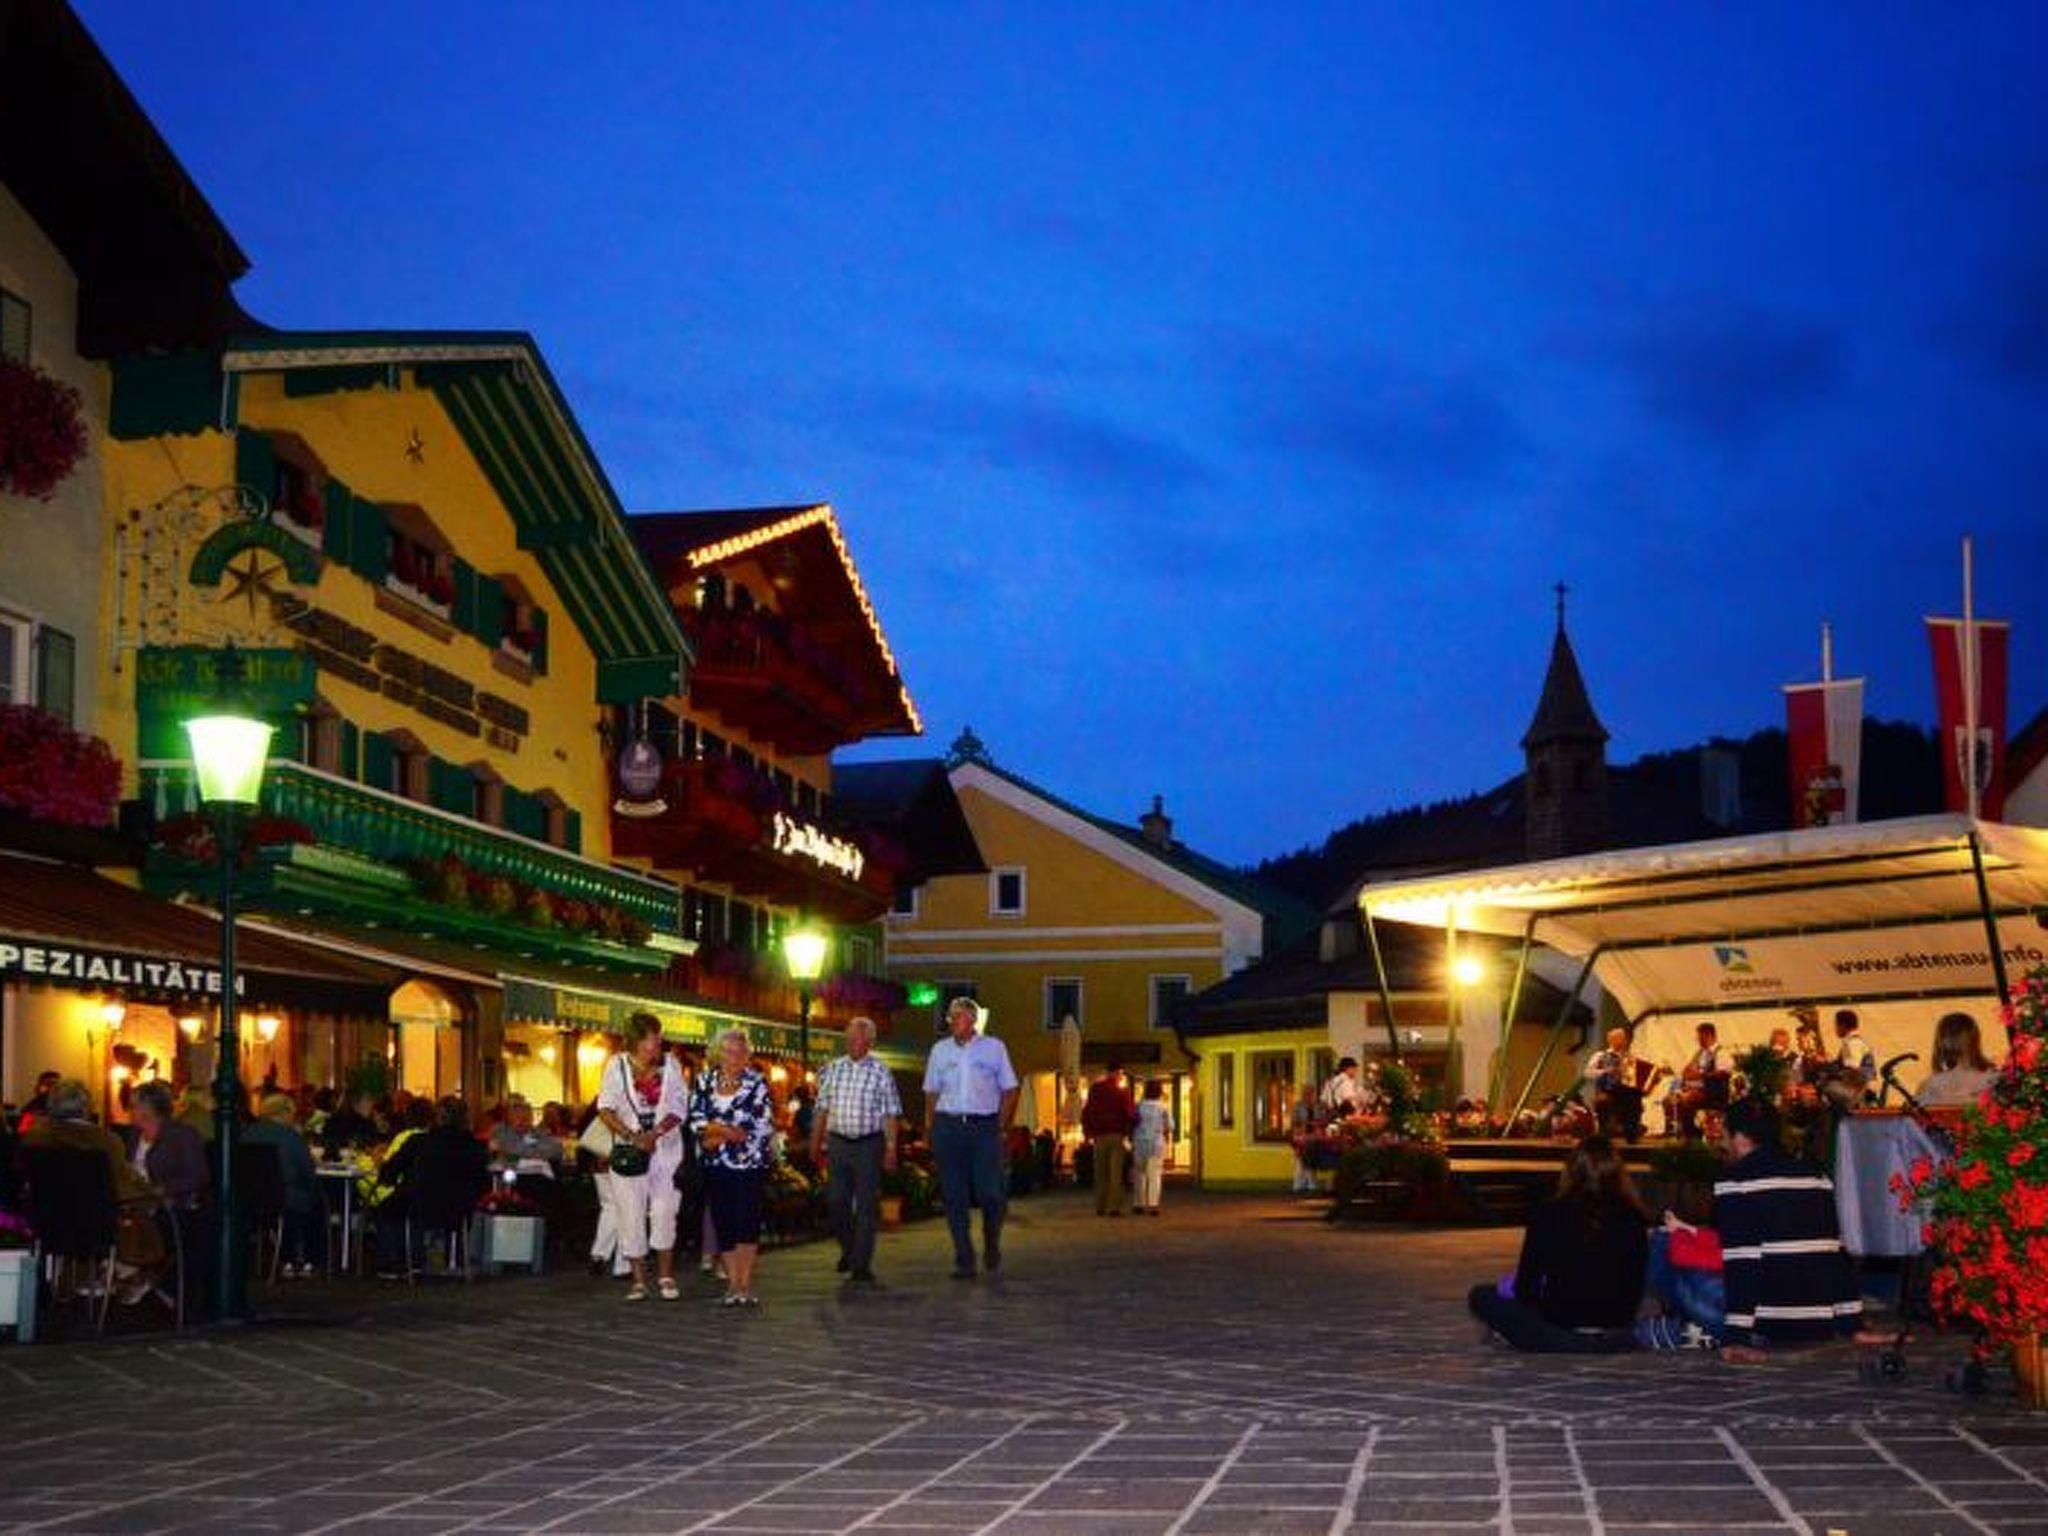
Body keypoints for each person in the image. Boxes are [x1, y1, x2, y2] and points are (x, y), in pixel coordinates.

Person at [1650, 1098, 1862, 1362]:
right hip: (1817, 1323)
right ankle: (1688, 1328)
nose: (1722, 1143)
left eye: (1724, 1135)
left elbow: (1743, 1262)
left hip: (1765, 1325)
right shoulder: (1818, 1178)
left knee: (1661, 1241)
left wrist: (1737, 1337)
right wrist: (1852, 1325)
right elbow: (1836, 1253)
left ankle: (1683, 1326)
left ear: (1740, 1138)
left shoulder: (1736, 1181)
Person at [1467, 1135, 1647, 1352]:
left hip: (1560, 1323)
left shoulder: (1548, 1213)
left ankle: (1548, 1337)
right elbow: (1636, 1282)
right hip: (1615, 1323)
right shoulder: (1633, 1216)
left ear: (1570, 1171)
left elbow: (1527, 1287)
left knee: (1482, 1295)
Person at [21, 1079, 166, 1303]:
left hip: (46, 1223)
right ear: (86, 1107)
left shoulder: (34, 1138)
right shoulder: (104, 1141)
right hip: (95, 1226)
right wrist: (151, 1197)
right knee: (142, 1216)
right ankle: (129, 1274)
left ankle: (86, 1277)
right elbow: (122, 1185)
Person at [923, 996, 1019, 1280]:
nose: (952, 1021)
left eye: (958, 1016)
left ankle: (991, 1240)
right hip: (949, 1126)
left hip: (983, 1128)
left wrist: (1000, 1125)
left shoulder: (994, 1048)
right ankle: (964, 1257)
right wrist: (932, 1128)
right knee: (954, 1196)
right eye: (950, 1016)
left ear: (973, 1020)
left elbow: (1010, 1089)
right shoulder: (940, 1050)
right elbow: (931, 1092)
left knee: (991, 1194)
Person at [596, 1014, 688, 1301]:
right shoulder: (616, 1065)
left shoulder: (670, 1065)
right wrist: (633, 1136)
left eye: (659, 1039)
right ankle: (638, 1280)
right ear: (637, 1041)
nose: (658, 1045)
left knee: (664, 1211)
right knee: (630, 1214)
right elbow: (605, 1108)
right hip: (630, 1152)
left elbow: (680, 1106)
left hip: (665, 1151)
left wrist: (656, 1133)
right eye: (652, 1040)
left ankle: (665, 1275)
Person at [810, 1015, 902, 1284]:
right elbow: (821, 1108)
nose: (851, 1042)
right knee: (836, 1200)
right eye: (849, 1037)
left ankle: (861, 1264)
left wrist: (891, 1148)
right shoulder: (833, 1069)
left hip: (868, 1143)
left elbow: (891, 1113)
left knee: (865, 1205)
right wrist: (815, 1142)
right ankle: (849, 1248)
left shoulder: (881, 1072)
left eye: (857, 1038)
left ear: (869, 1042)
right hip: (838, 1141)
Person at [687, 1027, 775, 1307]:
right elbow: (696, 1119)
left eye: (740, 1052)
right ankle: (732, 1285)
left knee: (747, 1222)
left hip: (749, 1163)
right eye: (728, 1051)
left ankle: (744, 1284)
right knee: (723, 1221)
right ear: (718, 1053)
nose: (734, 1058)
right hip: (715, 1163)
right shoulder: (704, 1081)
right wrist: (725, 1131)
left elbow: (761, 1125)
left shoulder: (757, 1083)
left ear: (747, 1055)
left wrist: (717, 1134)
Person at [373, 1097, 486, 1277]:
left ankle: (394, 1263)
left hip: (418, 1204)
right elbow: (482, 1182)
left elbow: (389, 1173)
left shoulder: (417, 1142)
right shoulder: (475, 1147)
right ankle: (427, 1259)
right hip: (460, 1208)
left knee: (386, 1210)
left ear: (436, 1118)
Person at [244, 1091, 323, 1276]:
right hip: (286, 1198)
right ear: (286, 1113)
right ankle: (308, 1260)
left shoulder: (247, 1133)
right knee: (316, 1203)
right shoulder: (290, 1137)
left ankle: (285, 1260)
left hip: (250, 1199)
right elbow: (307, 1171)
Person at [131, 1080, 210, 1212]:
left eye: (134, 1106)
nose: (130, 1111)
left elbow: (198, 1177)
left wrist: (164, 1188)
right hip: (136, 1204)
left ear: (149, 1108)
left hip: (172, 1208)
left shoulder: (182, 1135)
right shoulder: (134, 1135)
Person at [1080, 1061, 1138, 1217]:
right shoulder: (1122, 1091)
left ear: (1106, 1072)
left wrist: (1087, 1133)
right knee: (1115, 1173)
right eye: (1121, 1074)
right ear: (1117, 1073)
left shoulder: (1095, 1089)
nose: (1121, 1077)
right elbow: (1130, 1113)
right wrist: (1130, 1131)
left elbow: (1087, 1112)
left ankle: (1100, 1206)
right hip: (1117, 1135)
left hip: (1099, 1136)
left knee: (1100, 1172)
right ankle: (1114, 1208)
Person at [1917, 1011, 1998, 1108]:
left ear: (1941, 1042)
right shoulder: (1994, 1081)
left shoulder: (1928, 1086)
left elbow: (1912, 1113)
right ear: (1975, 1039)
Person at [1582, 1028, 1649, 1143]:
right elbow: (1587, 1073)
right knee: (1630, 1096)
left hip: (1627, 1091)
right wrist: (1606, 1071)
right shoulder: (1600, 1055)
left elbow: (1637, 1074)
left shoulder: (1630, 1057)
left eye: (1624, 1038)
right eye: (1620, 1038)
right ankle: (1610, 1134)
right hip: (1608, 1090)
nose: (1624, 1041)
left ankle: (1632, 1134)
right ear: (1611, 1040)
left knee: (1635, 1094)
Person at [1672, 1023, 1733, 1138]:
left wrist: (1700, 1075)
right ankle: (1687, 1132)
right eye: (1698, 1037)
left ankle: (1692, 1134)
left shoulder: (1721, 1053)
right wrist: (1687, 1073)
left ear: (1709, 1035)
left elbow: (1724, 1073)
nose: (1698, 1040)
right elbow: (1687, 1070)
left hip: (1715, 1092)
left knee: (1687, 1100)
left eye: (1700, 1037)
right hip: (1699, 1089)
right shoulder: (1700, 1053)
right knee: (1674, 1099)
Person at [489, 1095, 564, 1173]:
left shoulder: (536, 1131)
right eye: (517, 1117)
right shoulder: (501, 1130)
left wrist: (531, 1151)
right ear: (509, 1118)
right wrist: (536, 1152)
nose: (522, 1121)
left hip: (536, 1175)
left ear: (531, 1119)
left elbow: (557, 1149)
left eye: (526, 1118)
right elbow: (512, 1150)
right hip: (509, 1173)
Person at [1130, 1080, 1173, 1216]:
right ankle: (1153, 1205)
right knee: (1155, 1174)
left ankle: (1139, 1204)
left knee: (1139, 1174)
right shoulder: (1163, 1107)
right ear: (1159, 1092)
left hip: (1139, 1142)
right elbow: (1170, 1126)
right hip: (1156, 1142)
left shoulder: (1138, 1106)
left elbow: (1132, 1122)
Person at [1826, 1008, 1877, 1110]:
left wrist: (1833, 1073)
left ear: (1843, 1026)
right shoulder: (1854, 1042)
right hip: (1859, 1090)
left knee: (1824, 1086)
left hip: (1860, 1093)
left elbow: (1852, 1072)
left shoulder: (1852, 1044)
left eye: (1836, 1025)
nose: (1835, 1029)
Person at [321, 1089, 384, 1160]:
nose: (372, 1104)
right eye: (368, 1100)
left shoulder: (367, 1123)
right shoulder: (360, 1124)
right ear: (355, 1103)